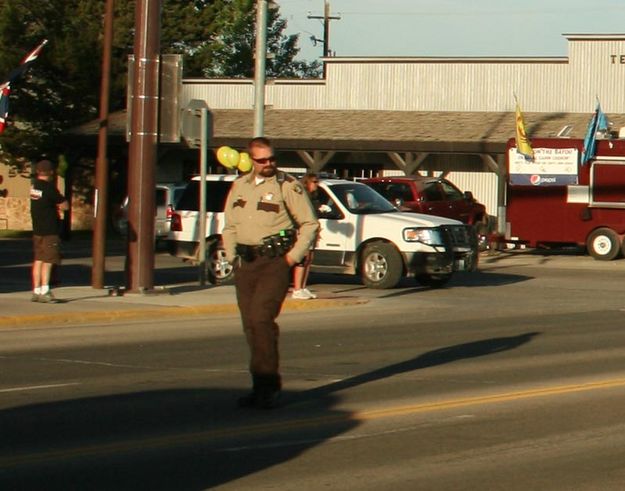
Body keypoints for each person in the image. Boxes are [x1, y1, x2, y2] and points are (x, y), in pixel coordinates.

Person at [222, 137, 319, 409]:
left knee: (261, 319)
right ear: (251, 160)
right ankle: (259, 385)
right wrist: (232, 256)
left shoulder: (287, 185)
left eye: (272, 159)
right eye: (262, 160)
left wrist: (291, 258)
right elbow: (229, 225)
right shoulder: (240, 186)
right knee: (250, 326)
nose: (268, 164)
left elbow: (310, 224)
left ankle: (268, 387)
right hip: (246, 263)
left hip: (273, 263)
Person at [30, 159, 69, 303]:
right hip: (49, 230)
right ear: (51, 172)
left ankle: (36, 290)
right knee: (49, 260)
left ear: (38, 172)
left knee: (38, 259)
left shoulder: (35, 187)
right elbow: (64, 204)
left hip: (37, 229)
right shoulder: (49, 188)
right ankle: (45, 289)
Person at [291, 172, 321, 300]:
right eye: (314, 182)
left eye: (317, 182)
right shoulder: (302, 196)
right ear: (307, 182)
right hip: (302, 230)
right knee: (303, 258)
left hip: (313, 230)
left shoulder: (313, 197)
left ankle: (303, 287)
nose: (316, 184)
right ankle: (297, 289)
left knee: (309, 258)